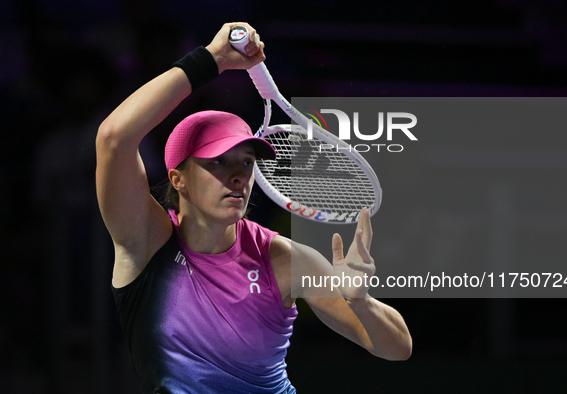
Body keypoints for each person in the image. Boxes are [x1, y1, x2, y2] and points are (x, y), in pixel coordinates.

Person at [96, 22, 412, 394]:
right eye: (217, 162)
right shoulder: (146, 242)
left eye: (246, 162)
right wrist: (211, 59)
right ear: (178, 179)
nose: (237, 176)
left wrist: (362, 303)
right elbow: (114, 138)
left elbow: (396, 349)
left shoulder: (284, 259)